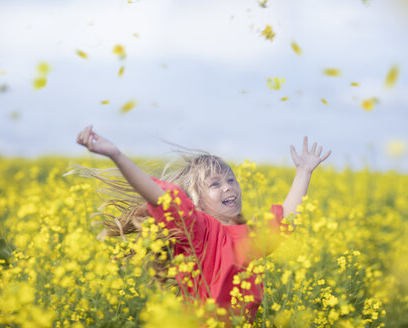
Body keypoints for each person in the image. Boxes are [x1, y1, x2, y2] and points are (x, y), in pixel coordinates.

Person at [75, 125, 331, 324]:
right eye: (215, 184)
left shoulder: (250, 237)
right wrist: (116, 155)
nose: (228, 187)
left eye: (231, 180)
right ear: (196, 200)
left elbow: (285, 219)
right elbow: (160, 196)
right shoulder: (196, 230)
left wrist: (304, 172)